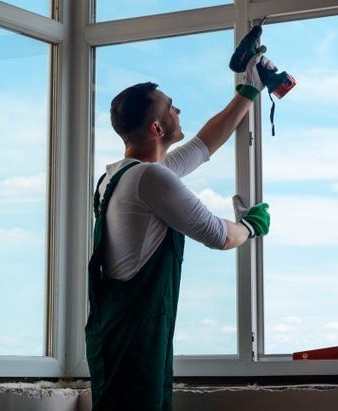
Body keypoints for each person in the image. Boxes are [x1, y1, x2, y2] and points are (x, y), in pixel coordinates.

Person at [86, 48, 273, 410]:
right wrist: (252, 225)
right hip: (134, 341)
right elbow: (219, 235)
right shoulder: (150, 177)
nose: (178, 110)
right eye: (171, 107)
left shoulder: (117, 176)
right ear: (157, 128)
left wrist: (248, 90)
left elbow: (203, 146)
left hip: (117, 332)